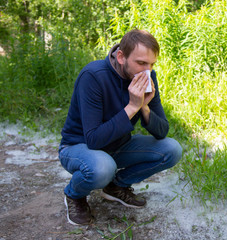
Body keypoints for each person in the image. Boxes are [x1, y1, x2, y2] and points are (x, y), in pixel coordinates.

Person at [58, 29, 182, 225]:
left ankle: (116, 186)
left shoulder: (147, 76)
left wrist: (144, 107)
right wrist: (132, 106)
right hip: (78, 146)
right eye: (141, 63)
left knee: (172, 149)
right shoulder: (93, 76)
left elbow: (162, 131)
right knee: (102, 167)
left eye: (151, 64)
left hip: (118, 145)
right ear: (121, 56)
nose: (146, 70)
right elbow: (93, 139)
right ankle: (74, 195)